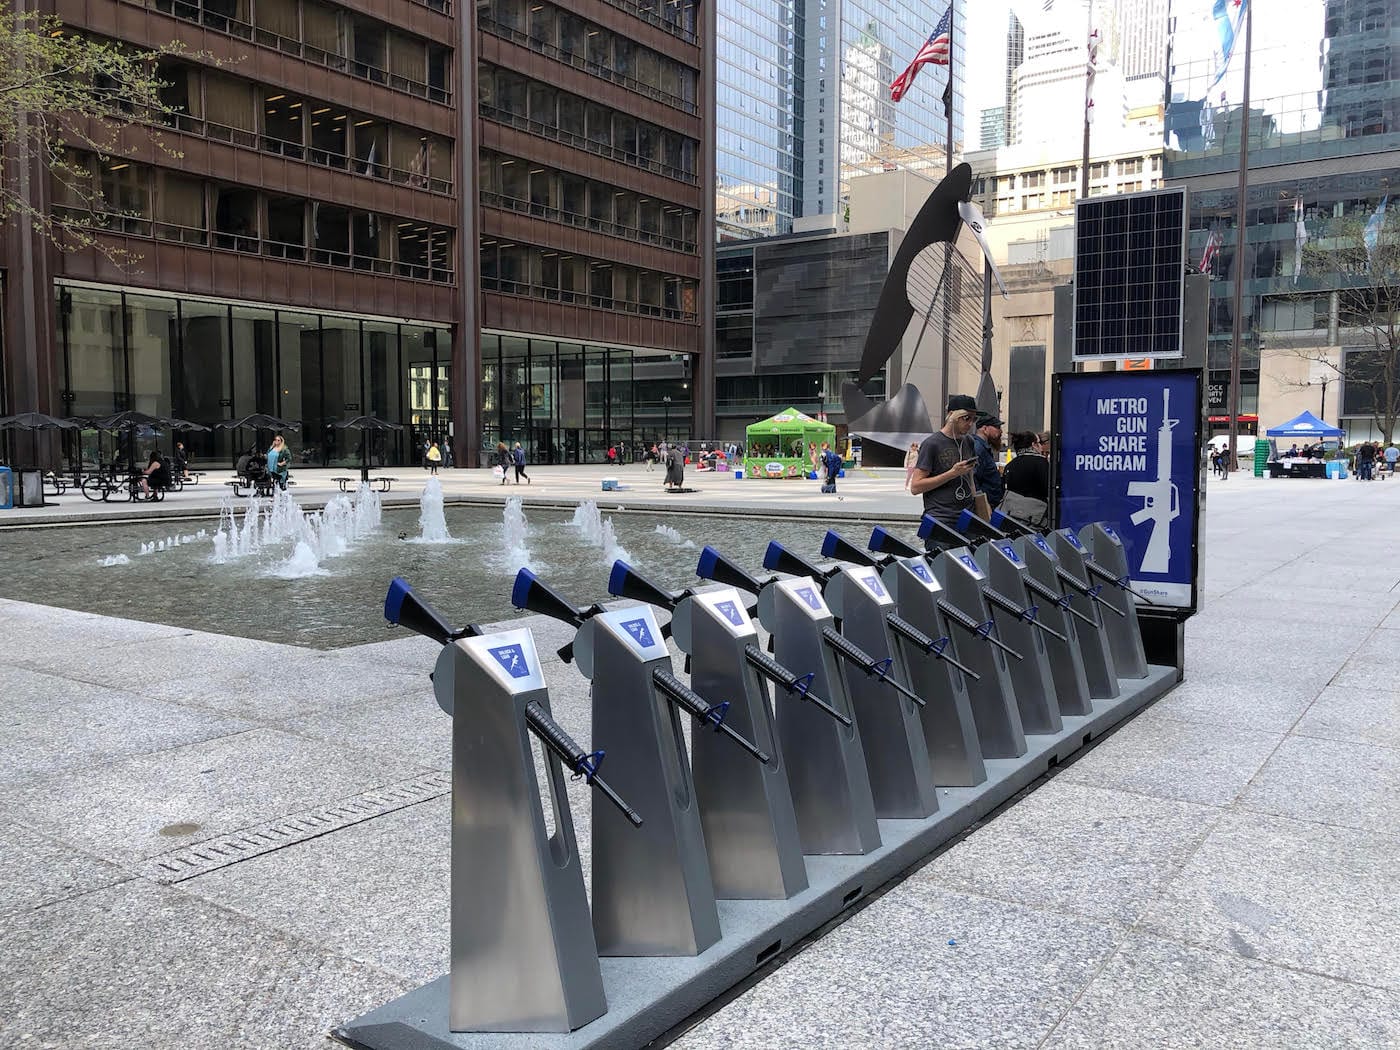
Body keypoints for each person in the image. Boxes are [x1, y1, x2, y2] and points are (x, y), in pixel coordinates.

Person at [910, 394, 979, 530]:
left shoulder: (969, 441)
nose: (970, 423)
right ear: (952, 416)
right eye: (966, 418)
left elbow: (970, 477)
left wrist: (977, 504)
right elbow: (915, 487)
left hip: (967, 516)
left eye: (974, 419)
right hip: (941, 518)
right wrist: (951, 474)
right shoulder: (932, 444)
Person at [1000, 431, 1050, 525]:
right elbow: (1047, 489)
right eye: (1039, 443)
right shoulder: (1041, 463)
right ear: (1033, 445)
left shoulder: (1010, 465)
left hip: (1012, 514)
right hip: (1035, 517)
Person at [972, 412, 1006, 508]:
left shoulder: (983, 448)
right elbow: (973, 478)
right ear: (985, 429)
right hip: (985, 504)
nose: (1000, 431)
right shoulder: (978, 448)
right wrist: (982, 504)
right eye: (997, 427)